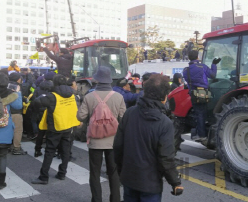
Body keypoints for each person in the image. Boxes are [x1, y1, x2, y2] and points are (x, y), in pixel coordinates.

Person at [114, 74, 183, 201]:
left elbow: (118, 146)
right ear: (164, 97)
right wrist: (175, 182)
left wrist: (121, 170)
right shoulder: (165, 123)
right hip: (151, 184)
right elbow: (166, 158)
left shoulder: (130, 113)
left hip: (129, 179)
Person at [77, 66, 126, 202]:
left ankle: (97, 199)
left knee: (95, 172)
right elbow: (124, 117)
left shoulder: (89, 96)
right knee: (113, 172)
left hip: (95, 140)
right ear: (110, 80)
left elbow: (80, 116)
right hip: (113, 140)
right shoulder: (118, 96)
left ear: (97, 80)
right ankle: (115, 199)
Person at [31, 75, 80, 184]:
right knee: (66, 151)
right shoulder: (72, 94)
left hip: (55, 127)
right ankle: (62, 173)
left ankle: (44, 177)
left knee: (49, 151)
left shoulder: (52, 96)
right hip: (68, 126)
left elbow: (36, 103)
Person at [183, 50, 220, 141]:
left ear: (189, 58)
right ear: (197, 57)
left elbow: (188, 81)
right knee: (203, 113)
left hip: (194, 94)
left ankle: (200, 133)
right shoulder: (202, 67)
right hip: (205, 93)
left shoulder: (186, 70)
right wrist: (214, 65)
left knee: (198, 113)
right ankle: (203, 134)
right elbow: (213, 75)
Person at [8, 72, 28, 155]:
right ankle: (16, 148)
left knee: (9, 129)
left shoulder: (7, 85)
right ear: (18, 79)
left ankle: (9, 145)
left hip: (7, 111)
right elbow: (18, 105)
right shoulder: (17, 87)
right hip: (15, 112)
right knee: (18, 130)